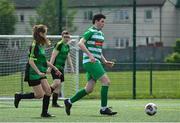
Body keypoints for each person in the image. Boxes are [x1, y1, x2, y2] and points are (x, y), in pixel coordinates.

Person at [64, 14, 117, 116]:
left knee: (89, 89)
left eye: (104, 22)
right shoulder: (90, 31)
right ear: (96, 21)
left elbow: (98, 51)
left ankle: (69, 101)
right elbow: (80, 43)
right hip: (90, 62)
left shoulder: (100, 34)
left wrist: (105, 61)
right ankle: (103, 108)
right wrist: (90, 55)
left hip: (94, 61)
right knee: (106, 82)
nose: (103, 23)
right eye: (102, 21)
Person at [14, 24, 61, 117]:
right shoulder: (34, 45)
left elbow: (44, 60)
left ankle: (44, 113)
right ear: (40, 33)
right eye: (45, 33)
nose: (46, 35)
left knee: (48, 91)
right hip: (33, 73)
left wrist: (55, 68)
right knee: (39, 95)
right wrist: (38, 72)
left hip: (40, 72)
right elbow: (31, 61)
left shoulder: (40, 45)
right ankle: (19, 96)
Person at [47, 30, 74, 108]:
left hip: (61, 68)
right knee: (56, 83)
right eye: (65, 37)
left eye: (68, 37)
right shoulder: (59, 44)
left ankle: (54, 103)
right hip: (55, 67)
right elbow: (53, 56)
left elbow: (68, 57)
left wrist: (71, 67)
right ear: (62, 37)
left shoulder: (67, 46)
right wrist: (50, 67)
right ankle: (46, 94)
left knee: (59, 86)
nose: (66, 38)